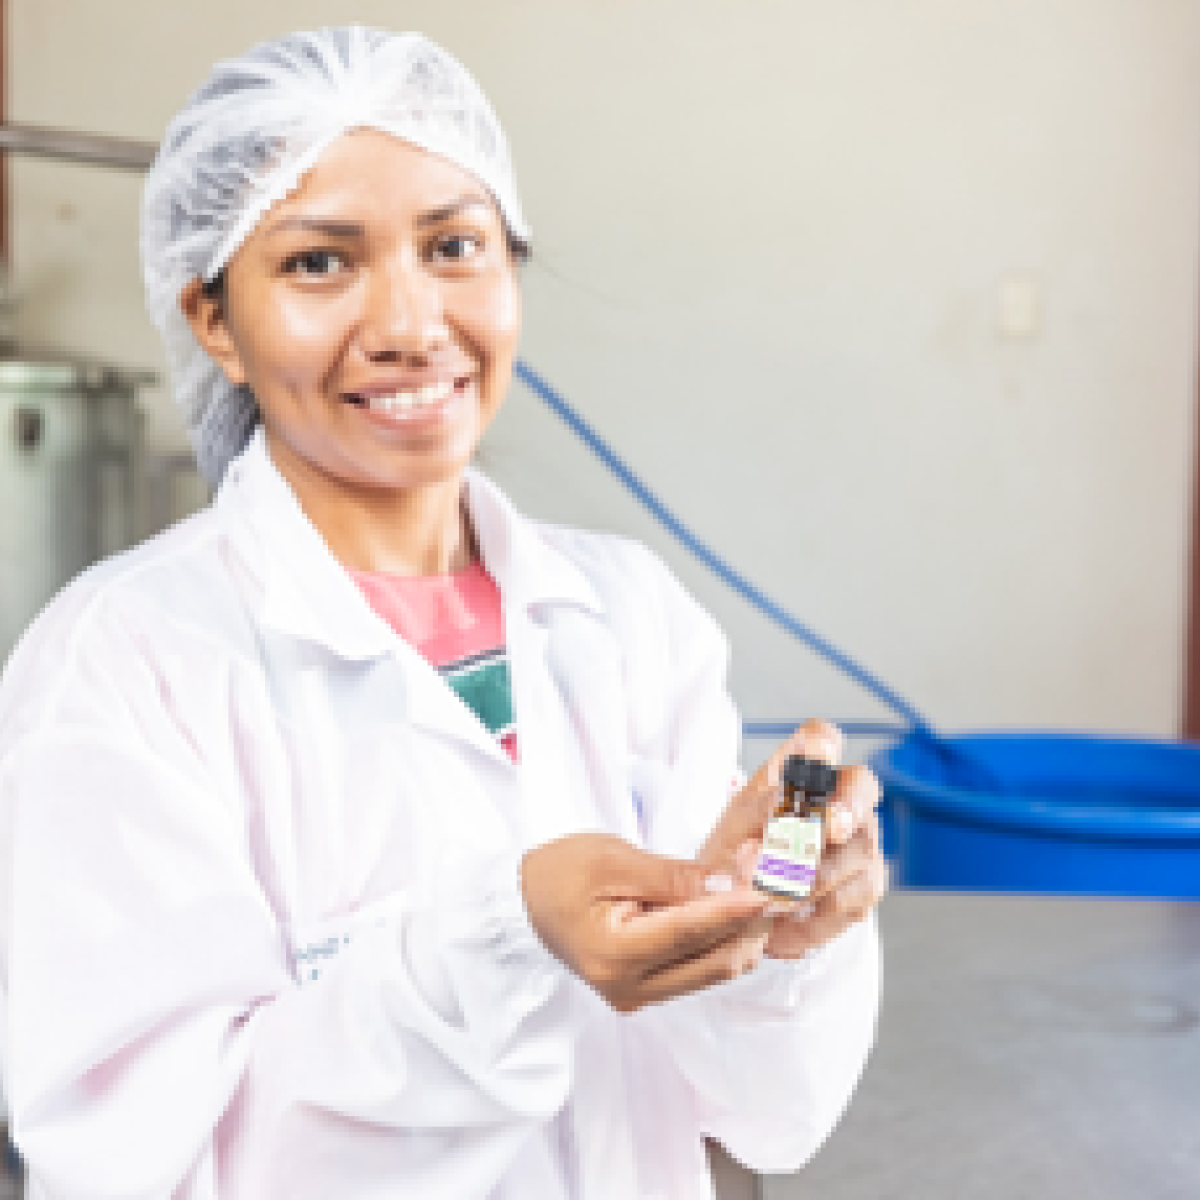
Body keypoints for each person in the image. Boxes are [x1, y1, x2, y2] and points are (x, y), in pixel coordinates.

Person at [0, 27, 885, 1200]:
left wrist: (776, 935)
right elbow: (155, 1168)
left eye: (455, 246)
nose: (412, 325)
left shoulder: (627, 616)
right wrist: (507, 936)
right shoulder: (123, 662)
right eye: (320, 263)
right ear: (214, 320)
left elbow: (763, 1113)